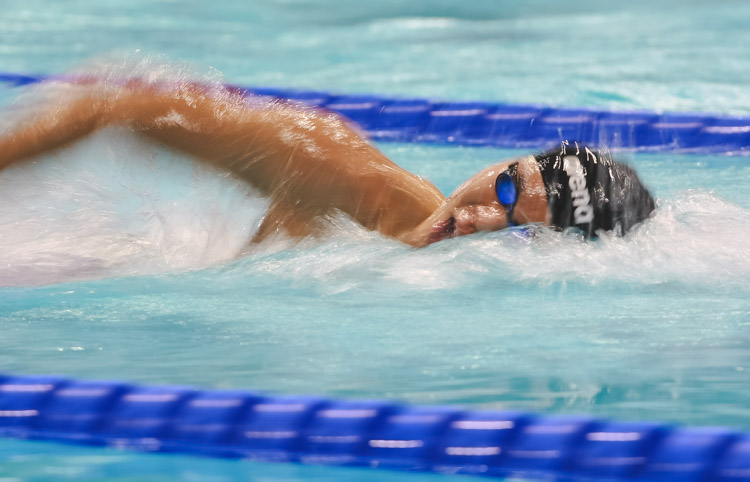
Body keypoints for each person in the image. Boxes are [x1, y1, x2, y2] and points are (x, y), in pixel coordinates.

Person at [0, 79, 655, 247]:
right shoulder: (336, 169)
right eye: (505, 185)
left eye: (515, 226)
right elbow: (115, 103)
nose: (481, 216)